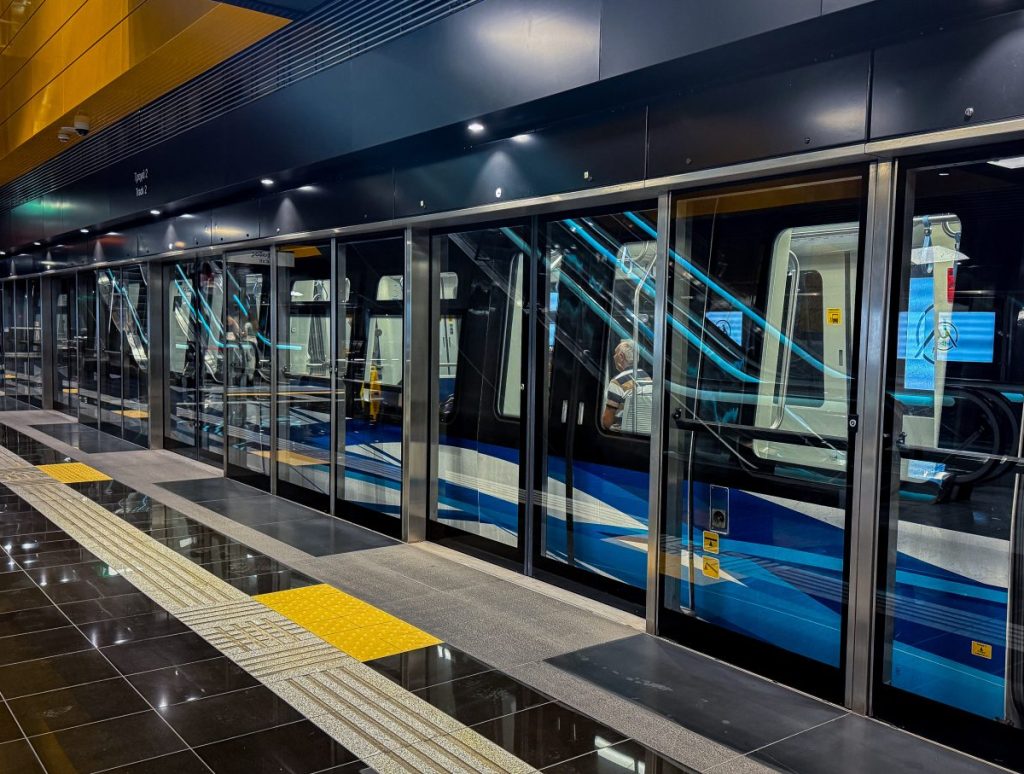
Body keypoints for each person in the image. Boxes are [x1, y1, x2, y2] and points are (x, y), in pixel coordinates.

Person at [601, 339, 652, 432]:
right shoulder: (647, 377)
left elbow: (607, 421)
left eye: (615, 353)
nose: (613, 356)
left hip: (622, 435)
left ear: (621, 356)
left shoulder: (617, 382)